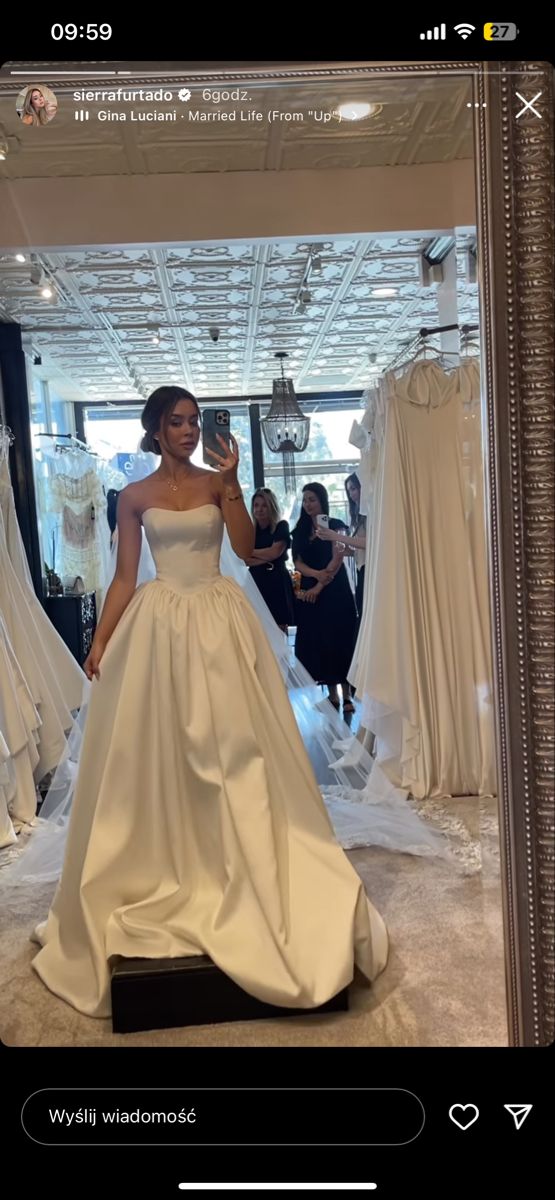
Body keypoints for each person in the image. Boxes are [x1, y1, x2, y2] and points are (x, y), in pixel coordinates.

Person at [29, 386, 387, 1018]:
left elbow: (247, 550)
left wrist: (232, 483)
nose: (190, 430)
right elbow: (121, 577)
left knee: (239, 748)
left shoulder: (217, 484)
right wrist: (101, 640)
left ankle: (245, 861)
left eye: (194, 421)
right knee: (163, 752)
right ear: (156, 428)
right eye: (178, 422)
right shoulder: (135, 498)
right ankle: (173, 862)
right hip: (160, 623)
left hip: (220, 619)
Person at [292, 482, 358, 714]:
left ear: (322, 500)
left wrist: (320, 584)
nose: (308, 504)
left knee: (340, 638)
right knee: (321, 641)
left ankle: (348, 695)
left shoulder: (335, 525)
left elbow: (337, 556)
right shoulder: (299, 529)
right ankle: (332, 695)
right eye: (305, 500)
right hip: (311, 589)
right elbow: (297, 561)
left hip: (334, 590)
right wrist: (315, 576)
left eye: (312, 499)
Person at [316, 472, 367, 631]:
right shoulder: (358, 515)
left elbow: (370, 543)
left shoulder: (370, 513)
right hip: (361, 569)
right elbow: (362, 548)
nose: (352, 494)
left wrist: (336, 536)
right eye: (349, 490)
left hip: (369, 570)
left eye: (354, 489)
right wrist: (348, 551)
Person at [245, 488, 295, 631]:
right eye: (256, 505)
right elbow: (244, 559)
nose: (259, 509)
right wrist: (267, 557)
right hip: (256, 581)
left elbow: (274, 552)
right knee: (257, 626)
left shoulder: (281, 526)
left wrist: (251, 552)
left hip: (276, 581)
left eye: (264, 505)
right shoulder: (250, 531)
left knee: (278, 626)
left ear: (271, 507)